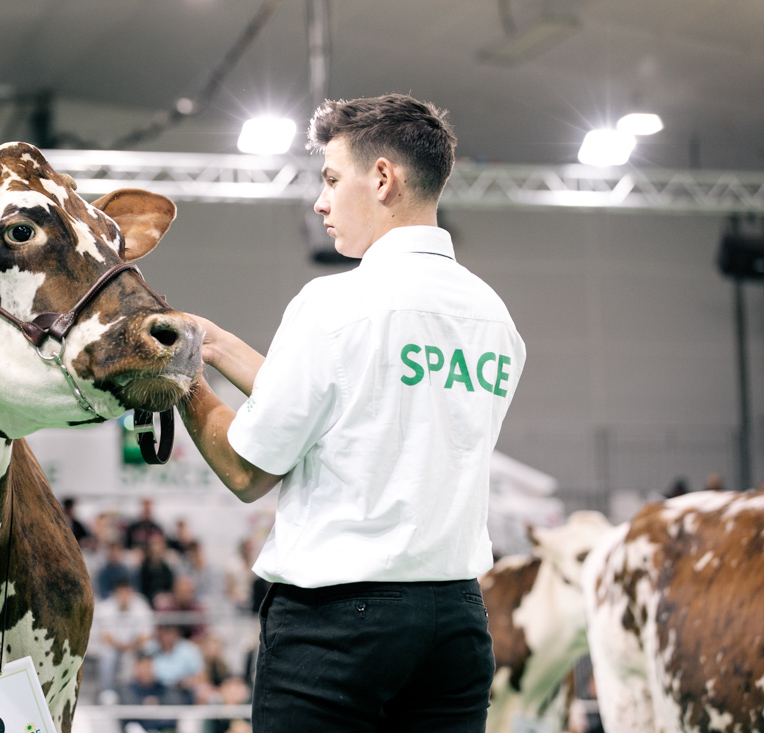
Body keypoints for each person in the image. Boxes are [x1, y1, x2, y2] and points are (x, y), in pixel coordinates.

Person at [178, 93, 526, 731]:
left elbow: (246, 471)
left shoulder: (335, 306)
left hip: (338, 632)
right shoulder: (494, 318)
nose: (320, 201)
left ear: (384, 178)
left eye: (332, 179)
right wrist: (216, 343)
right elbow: (356, 407)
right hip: (455, 628)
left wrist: (182, 377)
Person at [94, 578, 155, 693]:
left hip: (136, 647)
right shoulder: (105, 607)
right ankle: (107, 692)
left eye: (126, 592)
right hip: (114, 647)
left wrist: (131, 645)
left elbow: (146, 635)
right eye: (121, 592)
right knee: (107, 656)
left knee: (147, 649)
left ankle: (133, 692)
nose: (124, 596)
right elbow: (104, 636)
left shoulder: (141, 605)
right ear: (115, 593)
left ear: (131, 592)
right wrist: (120, 646)